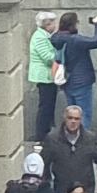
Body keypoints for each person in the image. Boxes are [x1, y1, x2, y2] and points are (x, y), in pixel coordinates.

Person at [41, 105, 97, 193]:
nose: (73, 121)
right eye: (70, 118)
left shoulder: (90, 138)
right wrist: (47, 185)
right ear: (65, 118)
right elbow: (43, 164)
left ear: (81, 120)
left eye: (76, 119)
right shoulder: (52, 139)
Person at [50, 11, 97, 128]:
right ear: (73, 25)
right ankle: (82, 141)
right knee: (83, 114)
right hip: (81, 80)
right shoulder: (75, 40)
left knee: (71, 114)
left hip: (67, 81)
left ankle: (71, 138)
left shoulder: (56, 38)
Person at [29, 12, 60, 140]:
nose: (54, 25)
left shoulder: (45, 36)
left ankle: (46, 132)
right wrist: (60, 55)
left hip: (49, 77)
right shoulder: (39, 37)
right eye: (52, 22)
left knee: (49, 105)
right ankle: (41, 135)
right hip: (44, 77)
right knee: (45, 106)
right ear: (46, 24)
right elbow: (48, 58)